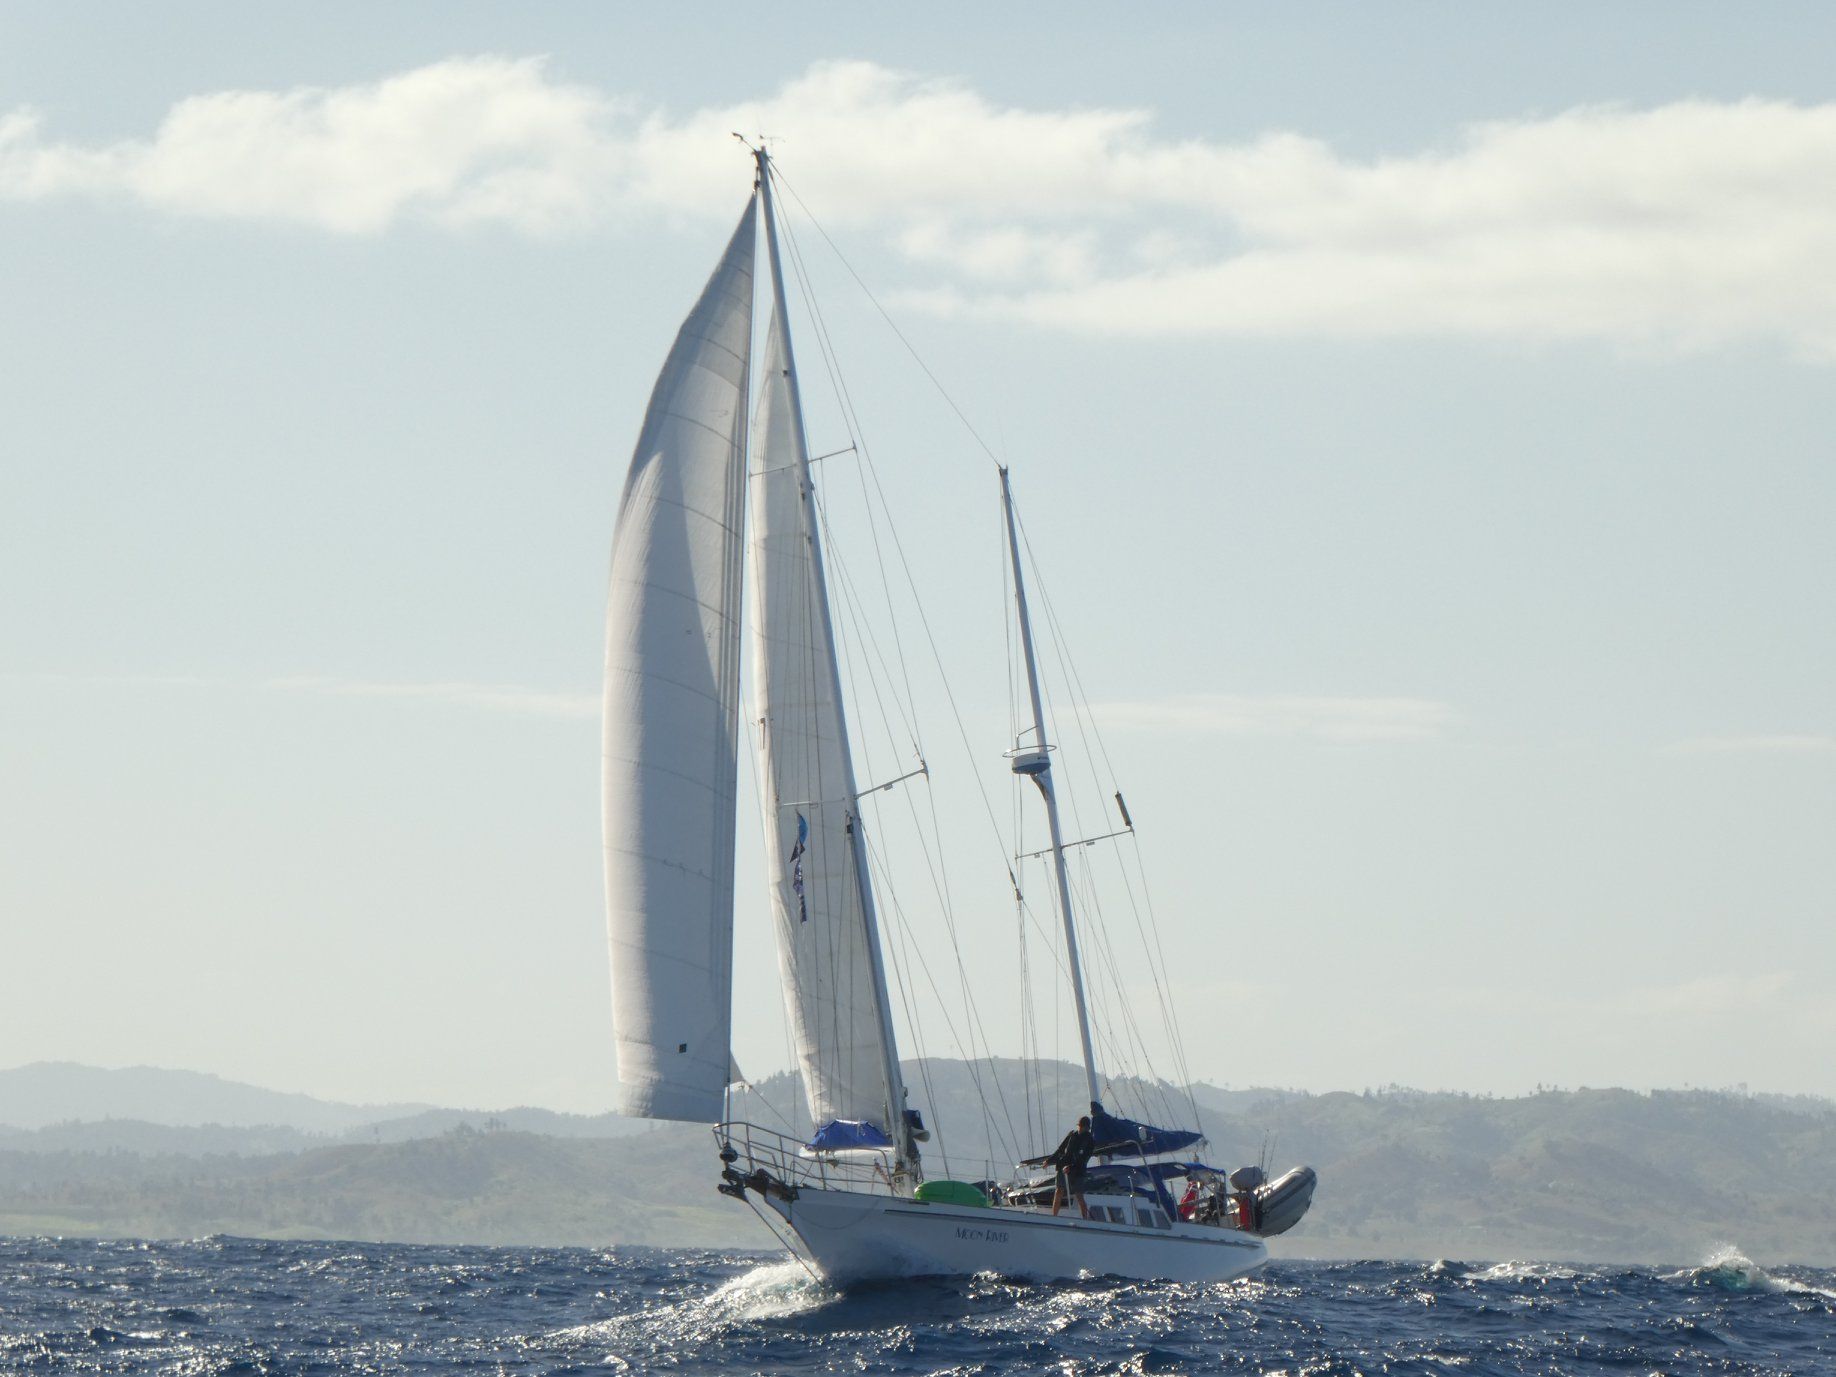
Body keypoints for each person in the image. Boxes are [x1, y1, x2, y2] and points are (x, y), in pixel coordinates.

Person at [1048, 1115, 1095, 1219]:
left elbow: (1083, 1158)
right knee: (1059, 1190)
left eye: (1084, 1127)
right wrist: (1049, 1161)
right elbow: (1061, 1149)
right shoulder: (1072, 1135)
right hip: (1064, 1166)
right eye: (1081, 1126)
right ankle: (1054, 1217)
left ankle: (1085, 1219)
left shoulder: (1089, 1140)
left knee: (1079, 1195)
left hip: (1078, 1170)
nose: (1082, 1129)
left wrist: (1071, 1167)